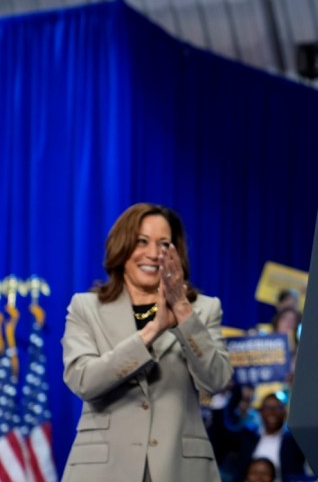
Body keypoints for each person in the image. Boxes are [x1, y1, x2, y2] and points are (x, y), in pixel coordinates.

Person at [61, 203, 233, 481]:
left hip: (180, 469)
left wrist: (182, 312)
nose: (153, 254)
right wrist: (151, 331)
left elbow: (216, 381)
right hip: (103, 469)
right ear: (122, 246)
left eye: (164, 244)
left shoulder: (203, 309)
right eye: (142, 241)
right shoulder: (85, 307)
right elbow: (84, 381)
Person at [235, 393, 312, 482]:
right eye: (268, 408)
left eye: (278, 408)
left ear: (285, 412)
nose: (272, 412)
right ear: (261, 412)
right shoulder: (248, 435)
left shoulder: (294, 439)